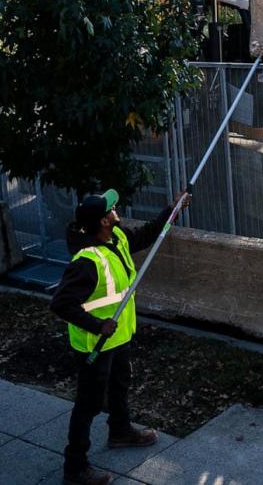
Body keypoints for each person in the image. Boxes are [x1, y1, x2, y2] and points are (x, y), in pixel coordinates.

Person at [49, 188, 186, 485]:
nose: (116, 211)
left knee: (120, 384)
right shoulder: (87, 261)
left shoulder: (117, 238)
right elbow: (60, 303)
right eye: (112, 210)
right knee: (88, 404)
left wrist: (172, 209)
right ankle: (75, 468)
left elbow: (148, 234)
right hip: (94, 344)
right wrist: (97, 326)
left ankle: (120, 432)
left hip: (119, 335)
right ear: (102, 221)